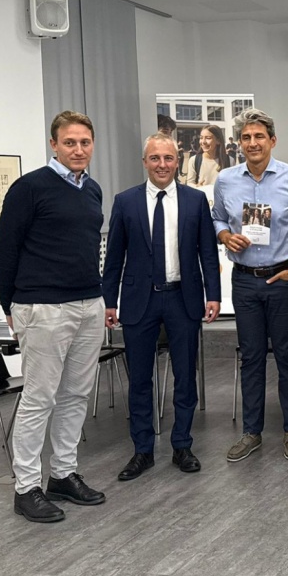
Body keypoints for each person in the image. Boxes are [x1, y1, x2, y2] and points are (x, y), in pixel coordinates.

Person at [0, 111, 106, 523]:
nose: (78, 149)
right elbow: (3, 251)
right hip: (42, 307)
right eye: (70, 142)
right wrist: (10, 306)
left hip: (88, 304)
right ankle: (26, 488)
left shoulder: (92, 189)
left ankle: (62, 474)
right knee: (39, 399)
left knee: (76, 395)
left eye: (85, 142)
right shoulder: (29, 188)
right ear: (54, 145)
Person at [102, 134, 221, 481]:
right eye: (154, 158)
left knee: (185, 377)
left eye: (168, 158)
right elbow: (114, 257)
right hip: (140, 300)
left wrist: (213, 295)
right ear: (145, 162)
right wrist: (110, 301)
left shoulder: (195, 201)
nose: (162, 165)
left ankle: (182, 445)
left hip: (183, 298)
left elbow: (207, 252)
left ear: (177, 161)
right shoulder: (125, 202)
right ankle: (142, 450)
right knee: (140, 379)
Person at [213, 109, 288, 464]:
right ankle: (251, 432)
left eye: (259, 136)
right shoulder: (226, 180)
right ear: (239, 143)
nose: (253, 143)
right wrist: (225, 235)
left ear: (272, 140)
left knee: (287, 356)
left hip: (282, 279)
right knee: (252, 357)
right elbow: (216, 218)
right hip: (244, 280)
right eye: (246, 137)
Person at [187, 124, 231, 191]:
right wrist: (197, 187)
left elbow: (233, 184)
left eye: (208, 138)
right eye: (201, 138)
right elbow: (190, 183)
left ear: (218, 141)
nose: (203, 142)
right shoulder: (194, 160)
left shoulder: (229, 160)